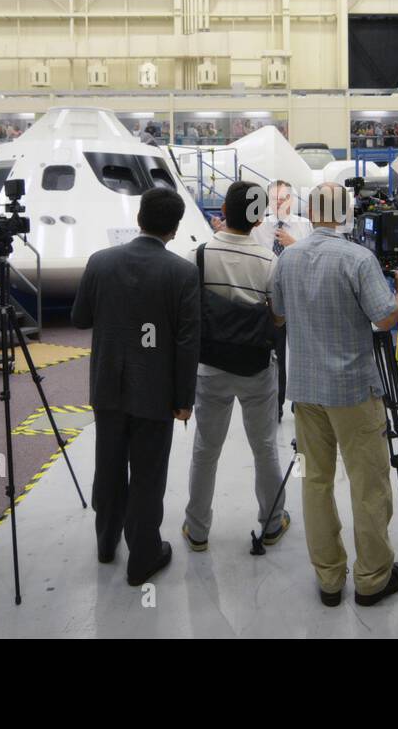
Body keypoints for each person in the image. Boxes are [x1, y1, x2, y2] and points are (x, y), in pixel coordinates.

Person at [269, 182, 398, 607]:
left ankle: (329, 578)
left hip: (305, 391)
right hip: (353, 391)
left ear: (310, 212)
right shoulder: (358, 258)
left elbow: (277, 315)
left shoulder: (287, 258)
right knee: (368, 484)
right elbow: (385, 318)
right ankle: (371, 579)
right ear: (347, 212)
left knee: (315, 481)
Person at [71, 188, 200, 586]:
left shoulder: (100, 261)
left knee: (108, 463)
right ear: (176, 228)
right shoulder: (182, 272)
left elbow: (79, 319)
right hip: (156, 393)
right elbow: (186, 342)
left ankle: (106, 542)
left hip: (107, 386)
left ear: (139, 217)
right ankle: (143, 556)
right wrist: (183, 400)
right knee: (147, 473)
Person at [182, 181, 288, 551]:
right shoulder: (270, 261)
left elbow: (190, 313)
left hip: (209, 367)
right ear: (259, 218)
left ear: (223, 212)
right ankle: (272, 522)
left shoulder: (198, 255)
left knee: (205, 449)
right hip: (255, 367)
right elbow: (277, 318)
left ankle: (197, 530)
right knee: (264, 447)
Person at [250, 180, 313, 416]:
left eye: (284, 198)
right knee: (274, 357)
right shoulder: (258, 227)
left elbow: (315, 258)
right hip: (270, 301)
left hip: (300, 298)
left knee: (301, 353)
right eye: (275, 198)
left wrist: (294, 245)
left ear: (293, 199)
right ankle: (275, 405)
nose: (279, 202)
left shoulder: (304, 226)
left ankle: (302, 402)